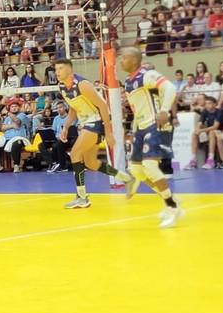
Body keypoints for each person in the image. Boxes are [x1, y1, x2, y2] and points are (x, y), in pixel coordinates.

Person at [119, 47, 183, 228]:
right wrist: (133, 130)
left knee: (150, 166)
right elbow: (137, 107)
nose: (121, 61)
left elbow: (170, 87)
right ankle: (171, 199)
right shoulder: (128, 80)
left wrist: (164, 110)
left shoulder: (146, 75)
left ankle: (173, 207)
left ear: (134, 60)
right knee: (137, 170)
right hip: (141, 127)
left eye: (124, 58)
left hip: (156, 124)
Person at [55, 58, 132, 208]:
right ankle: (126, 178)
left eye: (61, 68)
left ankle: (82, 197)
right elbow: (73, 108)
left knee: (75, 153)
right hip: (86, 123)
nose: (57, 72)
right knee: (91, 162)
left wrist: (109, 133)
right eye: (56, 69)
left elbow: (103, 106)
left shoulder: (83, 84)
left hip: (97, 122)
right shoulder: (62, 87)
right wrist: (65, 127)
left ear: (70, 70)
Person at [0, 99, 30, 173]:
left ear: (19, 108)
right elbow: (2, 128)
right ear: (9, 108)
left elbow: (18, 122)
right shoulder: (7, 118)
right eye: (12, 107)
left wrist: (9, 114)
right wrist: (12, 126)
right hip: (7, 138)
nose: (14, 108)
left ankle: (16, 165)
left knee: (15, 145)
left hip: (19, 138)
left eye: (15, 106)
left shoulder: (22, 115)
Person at [190, 95, 220, 169]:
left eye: (209, 103)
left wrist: (201, 130)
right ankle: (193, 159)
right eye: (206, 103)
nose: (207, 105)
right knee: (194, 134)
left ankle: (210, 160)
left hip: (219, 131)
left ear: (215, 104)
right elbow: (200, 123)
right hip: (208, 130)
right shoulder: (205, 111)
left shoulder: (219, 112)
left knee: (211, 132)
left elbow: (215, 127)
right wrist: (197, 130)